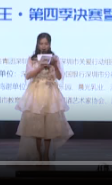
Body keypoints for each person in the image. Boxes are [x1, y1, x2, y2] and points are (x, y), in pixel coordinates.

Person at [15, 32, 74, 162]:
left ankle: (46, 154)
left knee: (49, 125)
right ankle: (38, 153)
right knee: (37, 126)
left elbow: (59, 77)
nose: (43, 46)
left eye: (46, 43)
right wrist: (40, 67)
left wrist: (54, 65)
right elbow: (28, 75)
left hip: (50, 92)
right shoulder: (32, 59)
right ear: (37, 44)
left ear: (50, 44)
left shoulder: (55, 58)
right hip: (36, 92)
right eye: (41, 43)